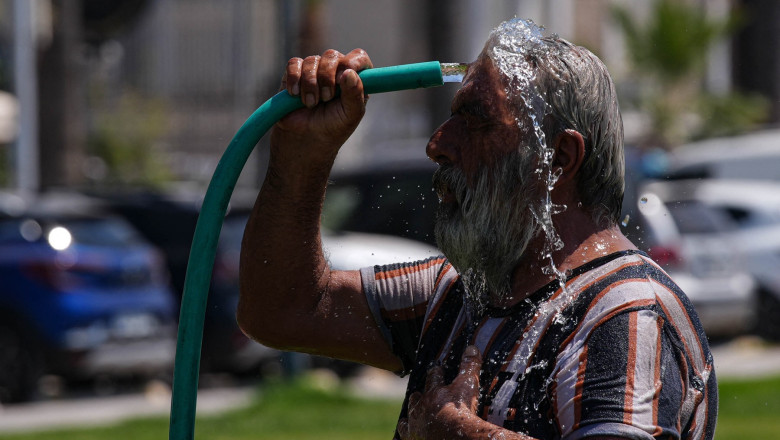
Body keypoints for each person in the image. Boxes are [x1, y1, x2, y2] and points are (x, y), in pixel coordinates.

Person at [238, 18, 717, 440]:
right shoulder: (460, 294)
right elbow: (281, 309)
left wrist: (459, 434)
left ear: (558, 159)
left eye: (475, 120)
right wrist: (305, 153)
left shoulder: (628, 313)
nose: (437, 145)